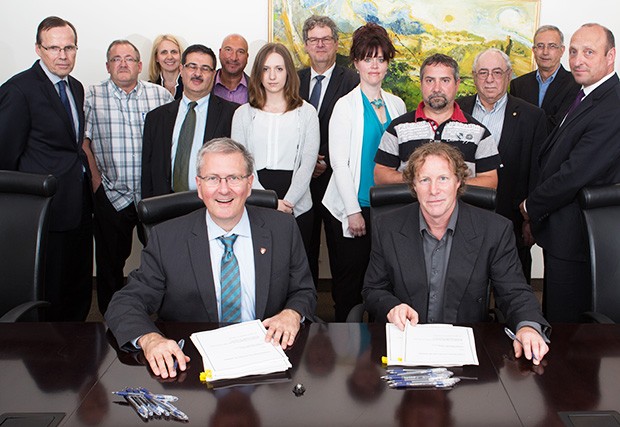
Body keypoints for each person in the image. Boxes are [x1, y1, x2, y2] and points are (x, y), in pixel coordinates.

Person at [106, 138, 317, 379]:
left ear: (249, 184)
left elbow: (304, 291)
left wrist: (291, 313)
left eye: (234, 178)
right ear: (199, 185)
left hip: (267, 359)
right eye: (213, 178)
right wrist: (150, 339)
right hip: (191, 365)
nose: (224, 189)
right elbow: (125, 303)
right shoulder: (167, 237)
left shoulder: (283, 228)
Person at [363, 142, 550, 365]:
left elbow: (514, 291)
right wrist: (392, 307)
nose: (434, 190)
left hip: (467, 354)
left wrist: (528, 326)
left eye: (443, 178)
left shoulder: (494, 229)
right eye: (424, 180)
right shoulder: (388, 226)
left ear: (458, 181)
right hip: (406, 350)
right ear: (413, 185)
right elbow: (373, 289)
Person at [520, 23, 620, 322]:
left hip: (578, 235)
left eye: (589, 52)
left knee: (568, 329)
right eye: (574, 52)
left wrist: (530, 206)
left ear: (610, 56)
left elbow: (574, 173)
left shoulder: (612, 106)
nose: (578, 60)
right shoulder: (584, 94)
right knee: (556, 317)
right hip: (563, 231)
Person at [0, 16, 93, 321]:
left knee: (77, 287)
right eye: (54, 48)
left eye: (69, 48)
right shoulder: (19, 90)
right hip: (43, 211)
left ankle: (78, 352)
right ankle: (50, 360)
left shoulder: (76, 87)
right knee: (50, 293)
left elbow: (71, 145)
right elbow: (5, 158)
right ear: (38, 49)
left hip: (77, 204)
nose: (63, 55)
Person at [82, 40, 174, 315]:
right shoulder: (91, 96)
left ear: (139, 65)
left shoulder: (159, 96)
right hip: (112, 194)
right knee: (110, 265)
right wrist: (97, 184)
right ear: (108, 65)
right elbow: (83, 143)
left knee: (164, 260)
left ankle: (164, 319)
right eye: (116, 59)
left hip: (153, 196)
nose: (123, 64)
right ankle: (112, 318)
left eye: (129, 58)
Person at [322, 23, 406, 321]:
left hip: (387, 209)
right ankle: (349, 352)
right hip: (352, 207)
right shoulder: (344, 106)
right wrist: (353, 211)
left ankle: (378, 352)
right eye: (368, 58)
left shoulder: (397, 104)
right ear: (356, 62)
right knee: (351, 285)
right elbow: (339, 163)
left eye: (381, 59)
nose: (374, 65)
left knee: (384, 283)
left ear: (387, 64)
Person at [457, 48, 547, 283]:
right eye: (483, 72)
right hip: (460, 218)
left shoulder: (533, 117)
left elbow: (538, 172)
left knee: (514, 293)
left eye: (497, 72)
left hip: (512, 221)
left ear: (508, 76)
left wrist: (532, 220)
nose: (489, 79)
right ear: (474, 76)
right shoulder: (456, 110)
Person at [231, 42, 319, 251]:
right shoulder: (242, 114)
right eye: (266, 69)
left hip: (296, 202)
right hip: (256, 199)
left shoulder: (307, 112)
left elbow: (307, 164)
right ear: (258, 73)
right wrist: (270, 202)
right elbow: (240, 166)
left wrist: (287, 203)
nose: (272, 76)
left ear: (288, 72)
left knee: (298, 268)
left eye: (279, 69)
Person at [374, 53, 500, 189]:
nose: (437, 88)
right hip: (410, 209)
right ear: (421, 83)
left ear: (457, 84)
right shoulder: (398, 128)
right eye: (430, 80)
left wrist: (449, 183)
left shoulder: (479, 132)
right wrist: (417, 178)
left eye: (445, 80)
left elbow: (490, 181)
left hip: (461, 209)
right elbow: (380, 175)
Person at [298, 15, 359, 286]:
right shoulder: (293, 80)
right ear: (306, 45)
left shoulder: (353, 80)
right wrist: (307, 161)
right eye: (314, 40)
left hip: (337, 178)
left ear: (336, 44)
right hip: (300, 180)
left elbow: (353, 125)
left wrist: (322, 158)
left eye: (326, 39)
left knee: (341, 253)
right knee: (302, 251)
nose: (320, 45)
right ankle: (305, 311)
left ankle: (343, 316)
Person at [141, 44, 239, 199]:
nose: (197, 73)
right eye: (192, 66)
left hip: (211, 205)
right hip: (165, 207)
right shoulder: (156, 118)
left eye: (205, 68)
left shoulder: (233, 114)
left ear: (213, 74)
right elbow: (147, 174)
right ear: (181, 69)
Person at [510, 25, 580, 131]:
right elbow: (513, 123)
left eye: (552, 46)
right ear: (534, 50)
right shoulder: (518, 85)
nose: (545, 52)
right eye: (540, 46)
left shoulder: (575, 84)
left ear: (562, 50)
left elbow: (561, 125)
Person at [213, 34, 250, 104]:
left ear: (247, 57)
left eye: (240, 52)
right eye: (228, 50)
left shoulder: (258, 89)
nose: (234, 58)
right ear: (220, 53)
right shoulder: (205, 84)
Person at [148, 34, 185, 99]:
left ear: (180, 55)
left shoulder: (190, 85)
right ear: (156, 57)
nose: (170, 57)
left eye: (174, 52)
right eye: (164, 52)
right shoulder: (149, 88)